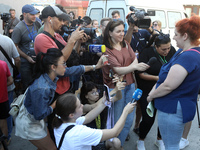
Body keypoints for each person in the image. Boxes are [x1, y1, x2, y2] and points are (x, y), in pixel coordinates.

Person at [147, 15, 200, 150]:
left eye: (176, 34)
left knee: (170, 146)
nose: (174, 37)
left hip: (173, 108)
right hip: (176, 106)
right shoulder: (186, 52)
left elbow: (169, 85)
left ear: (185, 36)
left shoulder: (187, 56)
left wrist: (151, 96)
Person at [102, 20, 149, 146]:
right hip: (117, 88)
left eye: (123, 30)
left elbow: (134, 59)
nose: (122, 34)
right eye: (118, 31)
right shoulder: (106, 50)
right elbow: (117, 69)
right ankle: (113, 145)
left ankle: (119, 145)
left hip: (130, 84)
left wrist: (132, 67)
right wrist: (135, 67)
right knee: (117, 120)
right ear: (110, 33)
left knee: (128, 119)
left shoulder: (126, 44)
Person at [14, 49, 66, 150]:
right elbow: (39, 115)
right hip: (30, 124)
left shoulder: (47, 78)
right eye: (63, 63)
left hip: (35, 120)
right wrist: (54, 104)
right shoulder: (42, 88)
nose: (65, 66)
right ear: (53, 67)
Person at [53, 93, 136, 150]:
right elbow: (115, 132)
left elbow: (87, 117)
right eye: (79, 106)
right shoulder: (79, 132)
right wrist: (125, 111)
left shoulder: (61, 121)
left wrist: (104, 104)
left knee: (115, 143)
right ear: (71, 115)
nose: (82, 106)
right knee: (115, 142)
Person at [136, 33, 176, 150]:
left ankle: (159, 139)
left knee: (164, 119)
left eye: (169, 48)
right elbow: (140, 74)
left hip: (166, 90)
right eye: (164, 49)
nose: (167, 51)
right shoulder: (146, 52)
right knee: (148, 119)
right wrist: (157, 78)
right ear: (156, 46)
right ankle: (141, 140)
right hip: (148, 91)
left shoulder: (172, 50)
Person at [80, 78, 125, 150]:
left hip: (102, 135)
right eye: (93, 92)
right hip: (91, 139)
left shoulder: (102, 101)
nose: (97, 94)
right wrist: (114, 90)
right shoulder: (84, 107)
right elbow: (95, 106)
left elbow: (118, 97)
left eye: (97, 91)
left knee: (117, 143)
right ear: (86, 96)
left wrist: (118, 88)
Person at [11, 4, 40, 91]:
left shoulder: (37, 23)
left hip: (37, 59)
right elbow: (14, 47)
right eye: (31, 14)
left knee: (37, 85)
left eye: (35, 14)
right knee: (27, 87)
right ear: (24, 14)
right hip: (25, 63)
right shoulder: (18, 29)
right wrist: (27, 57)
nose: (34, 16)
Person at [0, 34, 20, 145]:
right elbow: (17, 59)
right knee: (6, 113)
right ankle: (6, 138)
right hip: (7, 85)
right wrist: (16, 72)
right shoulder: (7, 40)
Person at [0, 60, 13, 146]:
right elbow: (10, 80)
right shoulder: (3, 64)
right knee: (3, 122)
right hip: (2, 99)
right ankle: (5, 142)